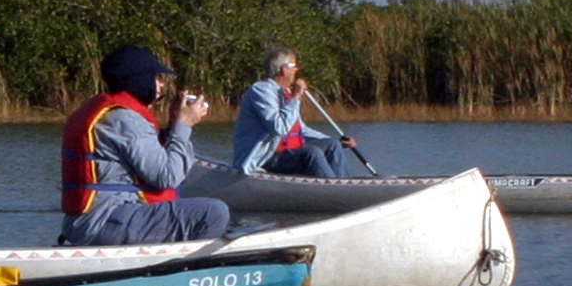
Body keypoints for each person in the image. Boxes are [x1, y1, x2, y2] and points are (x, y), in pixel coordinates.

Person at [59, 45, 235, 246]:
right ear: (139, 79)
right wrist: (183, 125)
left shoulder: (107, 113)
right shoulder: (125, 120)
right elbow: (167, 176)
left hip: (91, 222)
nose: (161, 85)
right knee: (213, 212)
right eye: (156, 78)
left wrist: (172, 125)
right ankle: (186, 270)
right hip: (105, 223)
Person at [232, 48, 366, 179]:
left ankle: (343, 185)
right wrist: (295, 97)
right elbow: (280, 128)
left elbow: (300, 129)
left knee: (332, 145)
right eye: (294, 65)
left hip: (289, 152)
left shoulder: (285, 93)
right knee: (312, 153)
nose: (297, 70)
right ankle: (334, 192)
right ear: (283, 69)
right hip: (266, 156)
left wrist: (336, 141)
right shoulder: (261, 91)